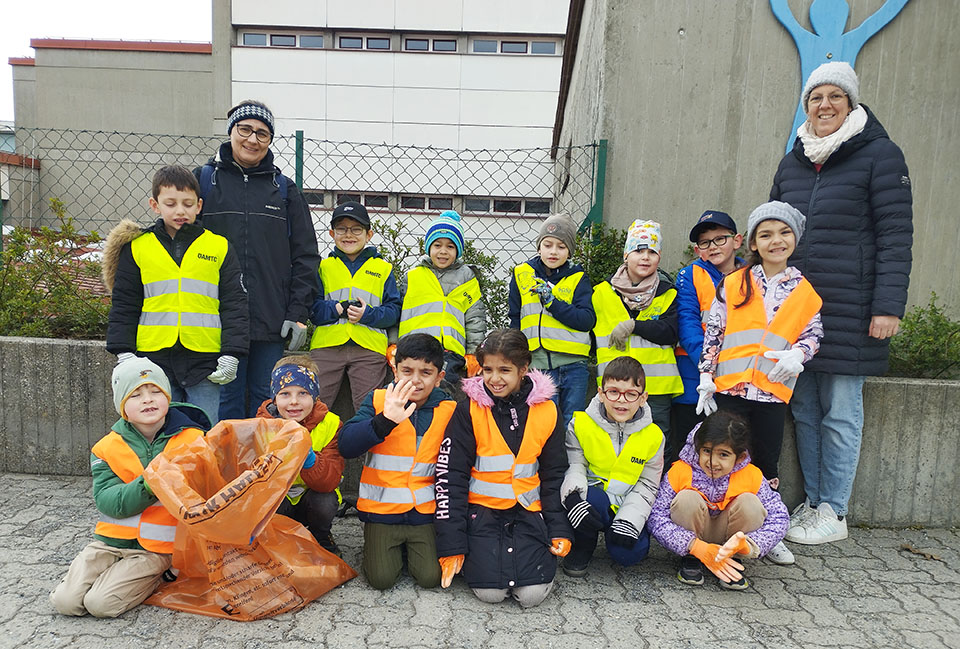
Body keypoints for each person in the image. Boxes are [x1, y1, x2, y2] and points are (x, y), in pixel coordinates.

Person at [770, 61, 913, 544]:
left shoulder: (880, 156)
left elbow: (895, 235)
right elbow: (773, 230)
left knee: (841, 412)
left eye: (835, 97)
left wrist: (888, 306)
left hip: (850, 309)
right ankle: (812, 503)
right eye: (815, 98)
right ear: (805, 106)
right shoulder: (793, 161)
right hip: (796, 312)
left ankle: (835, 510)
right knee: (805, 411)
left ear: (851, 104)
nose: (824, 105)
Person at [696, 202, 823, 566]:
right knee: (722, 454)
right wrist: (707, 375)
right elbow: (715, 333)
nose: (775, 241)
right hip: (731, 390)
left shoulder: (805, 291)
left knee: (766, 462)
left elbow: (813, 333)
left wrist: (800, 354)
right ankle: (711, 525)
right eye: (765, 234)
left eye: (783, 233)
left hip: (770, 392)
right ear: (752, 242)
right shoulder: (734, 283)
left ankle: (768, 532)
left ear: (795, 240)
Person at [50, 358, 210, 617]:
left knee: (101, 605)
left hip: (158, 549)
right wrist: (150, 483)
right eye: (136, 394)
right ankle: (114, 578)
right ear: (122, 406)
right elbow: (107, 501)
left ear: (167, 397)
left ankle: (160, 577)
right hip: (108, 543)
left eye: (156, 391)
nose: (148, 399)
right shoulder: (105, 448)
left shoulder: (194, 439)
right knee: (65, 603)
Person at [195, 100, 320, 420]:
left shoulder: (284, 190)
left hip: (271, 320)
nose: (252, 140)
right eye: (245, 130)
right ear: (231, 132)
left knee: (268, 405)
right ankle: (227, 470)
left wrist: (298, 312)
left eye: (262, 134)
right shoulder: (204, 181)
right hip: (217, 319)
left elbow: (305, 256)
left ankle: (263, 471)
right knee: (225, 401)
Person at [434, 329, 572, 608]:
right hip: (481, 516)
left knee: (531, 596)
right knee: (490, 594)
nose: (494, 379)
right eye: (487, 369)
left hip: (528, 516)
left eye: (504, 370)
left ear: (524, 369)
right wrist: (452, 546)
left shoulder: (548, 410)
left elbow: (554, 474)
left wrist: (559, 529)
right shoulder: (468, 409)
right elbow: (450, 477)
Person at [103, 165, 248, 424]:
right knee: (158, 431)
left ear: (199, 205)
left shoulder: (219, 246)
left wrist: (232, 353)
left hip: (205, 359)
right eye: (170, 203)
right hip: (153, 359)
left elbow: (234, 304)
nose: (180, 211)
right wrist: (123, 352)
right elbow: (125, 303)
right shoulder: (138, 247)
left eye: (188, 204)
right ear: (155, 204)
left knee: (204, 431)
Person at [338, 333, 456, 590]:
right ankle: (389, 549)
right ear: (394, 370)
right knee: (381, 580)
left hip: (425, 513)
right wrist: (385, 421)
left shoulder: (450, 410)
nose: (415, 380)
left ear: (439, 378)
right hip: (382, 513)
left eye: (426, 372)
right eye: (407, 370)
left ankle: (410, 550)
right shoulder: (378, 400)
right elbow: (346, 445)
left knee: (430, 578)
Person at [647, 411, 789, 591]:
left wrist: (751, 545)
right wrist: (693, 546)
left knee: (750, 503)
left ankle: (731, 559)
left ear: (740, 458)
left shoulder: (752, 475)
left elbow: (780, 517)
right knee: (686, 499)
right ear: (697, 448)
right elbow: (656, 515)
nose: (713, 462)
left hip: (730, 538)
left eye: (723, 454)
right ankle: (691, 559)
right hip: (693, 541)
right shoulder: (680, 471)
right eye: (706, 451)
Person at [560, 357, 663, 577]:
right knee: (587, 499)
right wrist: (573, 498)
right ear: (600, 392)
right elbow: (575, 466)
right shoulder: (580, 424)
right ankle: (583, 545)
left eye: (631, 394)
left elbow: (648, 485)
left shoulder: (654, 436)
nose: (621, 401)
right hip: (594, 500)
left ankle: (622, 531)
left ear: (643, 398)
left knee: (629, 555)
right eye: (614, 392)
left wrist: (629, 520)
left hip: (628, 502)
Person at [592, 219, 680, 458]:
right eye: (639, 250)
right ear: (625, 255)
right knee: (615, 445)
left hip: (656, 388)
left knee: (657, 446)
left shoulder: (667, 292)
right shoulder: (601, 293)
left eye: (652, 252)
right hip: (615, 388)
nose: (645, 257)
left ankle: (658, 493)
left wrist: (635, 326)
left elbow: (671, 331)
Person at [310, 201, 401, 412]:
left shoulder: (383, 268)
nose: (348, 234)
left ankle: (364, 446)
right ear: (332, 233)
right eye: (341, 229)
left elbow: (394, 311)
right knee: (314, 406)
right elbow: (312, 309)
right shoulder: (323, 267)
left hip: (369, 348)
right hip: (327, 347)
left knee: (368, 408)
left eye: (356, 229)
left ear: (369, 234)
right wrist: (336, 309)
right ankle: (311, 446)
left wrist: (367, 314)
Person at [509, 213, 595, 429]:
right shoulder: (522, 274)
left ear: (570, 251)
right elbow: (515, 318)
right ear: (539, 247)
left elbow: (586, 320)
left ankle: (571, 463)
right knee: (543, 423)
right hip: (538, 365)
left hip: (573, 364)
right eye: (548, 244)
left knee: (571, 424)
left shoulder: (578, 278)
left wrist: (552, 302)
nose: (553, 251)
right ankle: (545, 464)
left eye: (561, 246)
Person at [672, 210, 744, 460]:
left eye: (720, 239)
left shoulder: (751, 275)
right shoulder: (689, 274)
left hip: (737, 375)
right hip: (694, 377)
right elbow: (688, 324)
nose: (712, 246)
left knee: (730, 447)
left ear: (737, 241)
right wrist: (709, 366)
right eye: (705, 242)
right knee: (688, 446)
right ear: (697, 250)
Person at [256, 356, 344, 555]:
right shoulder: (260, 425)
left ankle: (321, 536)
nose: (294, 402)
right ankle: (276, 537)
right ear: (274, 397)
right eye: (285, 394)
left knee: (325, 500)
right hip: (280, 497)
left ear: (315, 396)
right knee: (264, 500)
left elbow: (329, 480)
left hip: (311, 495)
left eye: (303, 393)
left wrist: (310, 460)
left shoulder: (330, 423)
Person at [396, 210, 486, 387]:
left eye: (450, 246)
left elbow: (475, 317)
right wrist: (393, 343)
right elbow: (396, 311)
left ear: (458, 250)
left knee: (445, 390)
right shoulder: (412, 276)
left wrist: (473, 352)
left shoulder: (467, 277)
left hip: (450, 351)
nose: (443, 252)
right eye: (437, 245)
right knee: (410, 390)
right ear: (428, 247)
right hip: (413, 348)